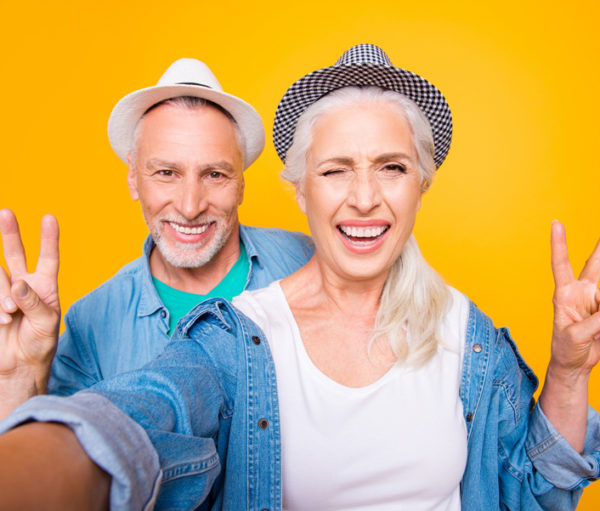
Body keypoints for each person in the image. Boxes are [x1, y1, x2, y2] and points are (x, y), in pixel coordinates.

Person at [1, 44, 600, 510]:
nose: (364, 198)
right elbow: (149, 409)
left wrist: (569, 372)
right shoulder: (232, 336)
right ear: (300, 190)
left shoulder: (470, 338)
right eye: (336, 170)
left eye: (391, 167)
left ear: (421, 183)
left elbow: (539, 493)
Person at [0, 57, 314, 418]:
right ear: (133, 178)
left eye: (214, 174)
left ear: (241, 184)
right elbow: (50, 466)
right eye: (167, 172)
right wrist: (19, 380)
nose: (190, 205)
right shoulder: (91, 322)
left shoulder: (305, 260)